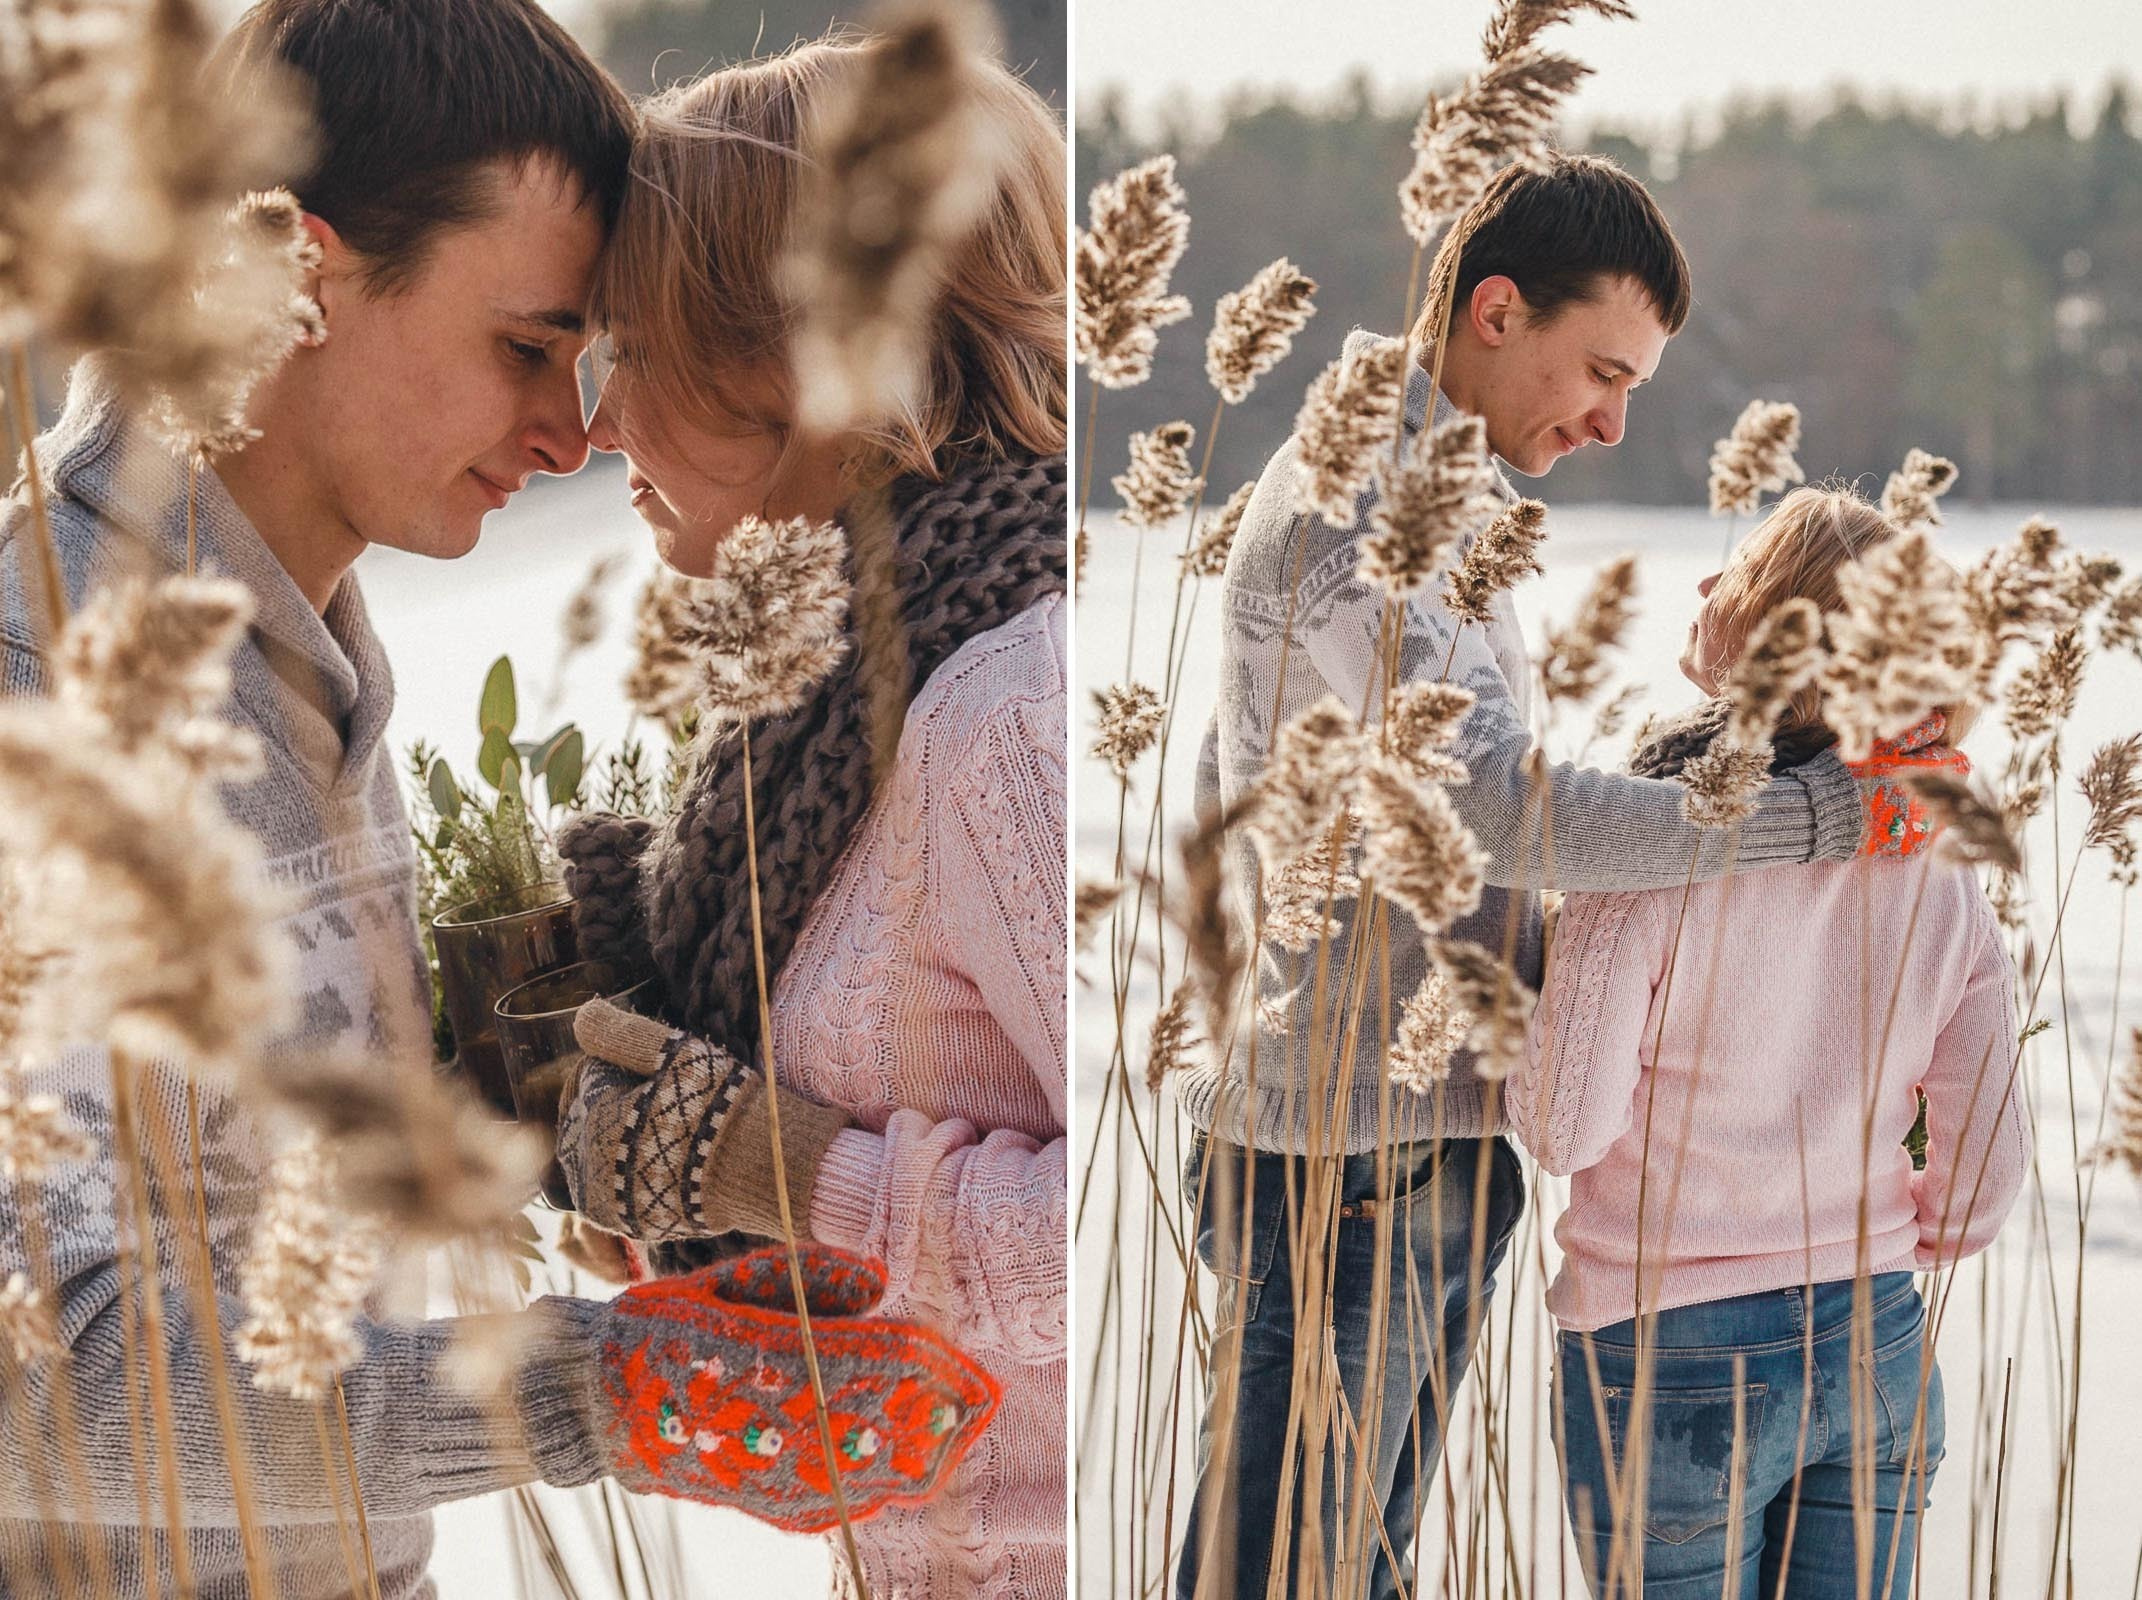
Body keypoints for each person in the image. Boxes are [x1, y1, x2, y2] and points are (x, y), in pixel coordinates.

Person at [0, 4, 989, 1594]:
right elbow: (40, 1367)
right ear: (295, 279)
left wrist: (540, 1147)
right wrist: (597, 1392)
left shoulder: (313, 673)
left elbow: (236, 1202)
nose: (569, 429)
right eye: (526, 346)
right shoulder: (43, 691)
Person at [1179, 154, 1945, 1600]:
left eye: (1635, 387)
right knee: (1277, 1577)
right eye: (1599, 369)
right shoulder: (1360, 509)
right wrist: (1808, 820)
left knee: (1343, 1568)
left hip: (1403, 1142)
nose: (1609, 420)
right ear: (1493, 310)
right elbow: (1498, 808)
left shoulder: (1436, 499)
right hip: (1345, 1157)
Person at [551, 32, 1069, 1600]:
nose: (591, 425)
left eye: (629, 350)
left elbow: (1142, 1225)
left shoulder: (1007, 712)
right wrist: (656, 1196)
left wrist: (766, 1169)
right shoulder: (829, 687)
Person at [1505, 484, 2028, 1597]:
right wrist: (1899, 1241)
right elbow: (1986, 1166)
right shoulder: (1935, 852)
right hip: (1876, 1329)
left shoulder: (1656, 838)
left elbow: (1561, 1124)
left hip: (1668, 1344)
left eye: (1734, 572)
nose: (1702, 587)